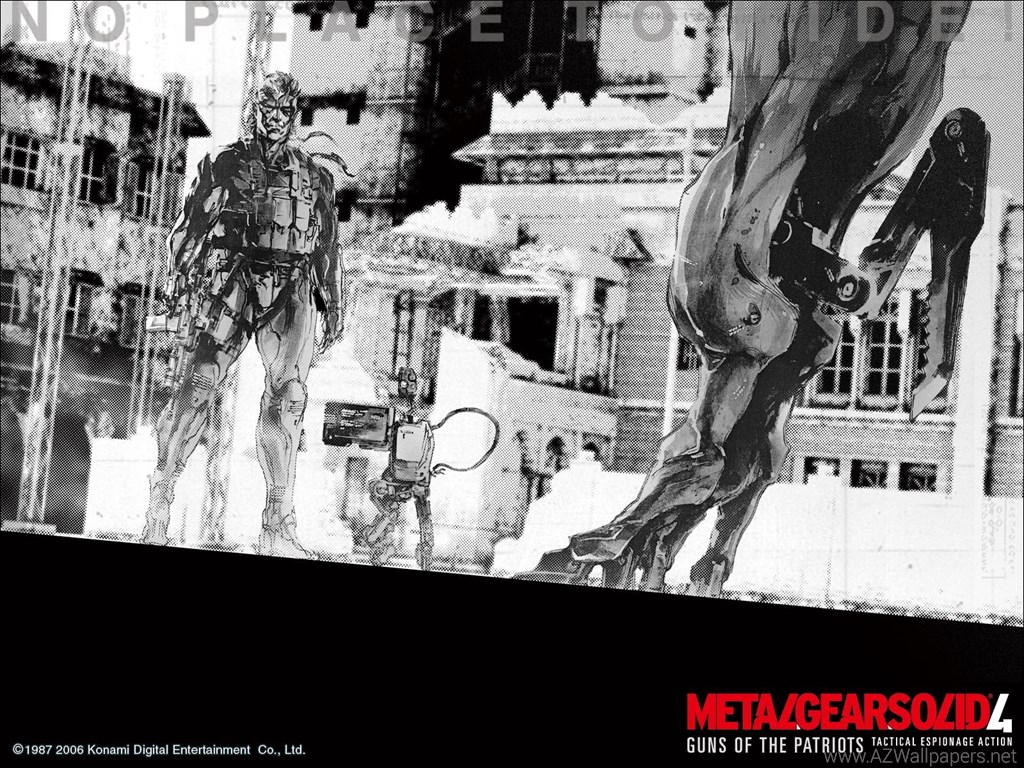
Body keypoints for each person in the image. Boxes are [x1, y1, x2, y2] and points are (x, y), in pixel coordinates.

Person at [141, 71, 343, 558]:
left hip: (291, 286)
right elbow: (188, 230)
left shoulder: (314, 178)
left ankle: (277, 523)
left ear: (294, 115)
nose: (275, 119)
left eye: (284, 111)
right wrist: (175, 283)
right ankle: (160, 503)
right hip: (233, 277)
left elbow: (327, 247)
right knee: (199, 385)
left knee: (289, 398)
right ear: (256, 111)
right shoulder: (224, 164)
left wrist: (334, 302)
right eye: (268, 109)